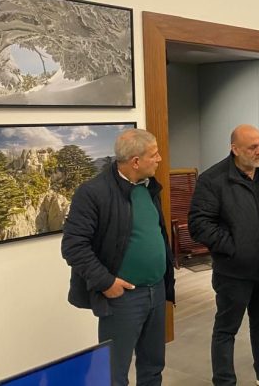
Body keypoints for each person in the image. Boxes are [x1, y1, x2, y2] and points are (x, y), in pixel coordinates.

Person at [61, 128, 175, 386]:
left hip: (156, 291)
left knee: (153, 366)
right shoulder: (93, 192)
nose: (159, 159)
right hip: (123, 299)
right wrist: (106, 282)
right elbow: (73, 245)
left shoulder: (149, 187)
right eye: (154, 155)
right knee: (114, 372)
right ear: (135, 161)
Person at [188, 124, 259, 386]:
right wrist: (234, 247)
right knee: (226, 328)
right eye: (252, 147)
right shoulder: (213, 180)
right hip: (234, 271)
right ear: (235, 149)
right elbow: (199, 225)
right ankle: (224, 380)